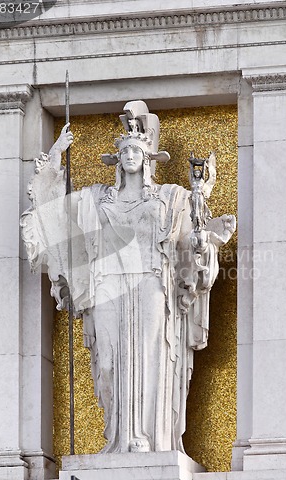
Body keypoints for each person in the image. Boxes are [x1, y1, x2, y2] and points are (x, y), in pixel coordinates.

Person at [20, 100, 236, 454]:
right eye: (125, 151)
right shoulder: (97, 199)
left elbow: (189, 244)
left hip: (152, 283)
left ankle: (150, 440)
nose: (131, 156)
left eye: (137, 150)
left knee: (151, 358)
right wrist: (56, 156)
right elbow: (53, 213)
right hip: (107, 285)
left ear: (149, 159)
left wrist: (207, 235)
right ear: (117, 160)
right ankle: (117, 438)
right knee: (108, 361)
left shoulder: (171, 197)